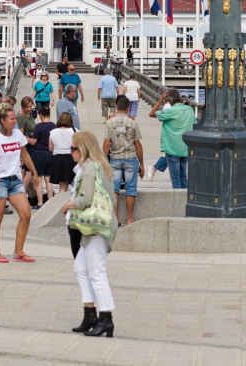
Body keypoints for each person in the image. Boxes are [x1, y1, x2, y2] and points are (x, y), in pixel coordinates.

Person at [63, 130, 117, 337]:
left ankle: (105, 318)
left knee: (96, 273)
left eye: (74, 148)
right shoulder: (99, 166)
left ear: (83, 149)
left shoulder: (90, 168)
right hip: (96, 227)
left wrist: (67, 205)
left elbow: (84, 199)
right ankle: (90, 314)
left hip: (95, 228)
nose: (71, 152)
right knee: (80, 268)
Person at [0, 105, 42, 262]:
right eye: (12, 119)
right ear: (2, 121)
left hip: (15, 180)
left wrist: (35, 173)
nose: (15, 121)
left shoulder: (17, 134)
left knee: (26, 214)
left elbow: (26, 155)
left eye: (15, 118)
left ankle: (18, 250)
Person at [103, 95, 143, 225]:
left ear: (116, 106)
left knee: (114, 189)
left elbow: (106, 144)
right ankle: (130, 218)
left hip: (115, 159)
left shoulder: (109, 123)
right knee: (131, 189)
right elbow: (138, 145)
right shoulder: (133, 123)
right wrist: (141, 163)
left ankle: (115, 217)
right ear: (128, 108)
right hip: (130, 158)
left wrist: (104, 161)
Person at [148, 89, 196, 188]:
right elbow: (195, 125)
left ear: (169, 100)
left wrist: (161, 99)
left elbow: (152, 113)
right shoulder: (190, 110)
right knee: (184, 177)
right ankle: (184, 201)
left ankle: (178, 202)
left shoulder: (169, 111)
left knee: (176, 179)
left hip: (172, 148)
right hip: (186, 148)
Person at [30, 105, 56, 205]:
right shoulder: (53, 125)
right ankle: (49, 202)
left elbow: (33, 142)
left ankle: (40, 202)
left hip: (39, 154)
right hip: (50, 154)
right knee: (48, 180)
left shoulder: (39, 126)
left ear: (40, 115)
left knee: (39, 180)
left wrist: (28, 138)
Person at [50, 112, 78, 194]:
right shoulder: (75, 131)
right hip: (72, 158)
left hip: (58, 159)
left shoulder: (53, 132)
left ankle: (60, 205)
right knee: (75, 184)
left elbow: (51, 148)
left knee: (62, 188)